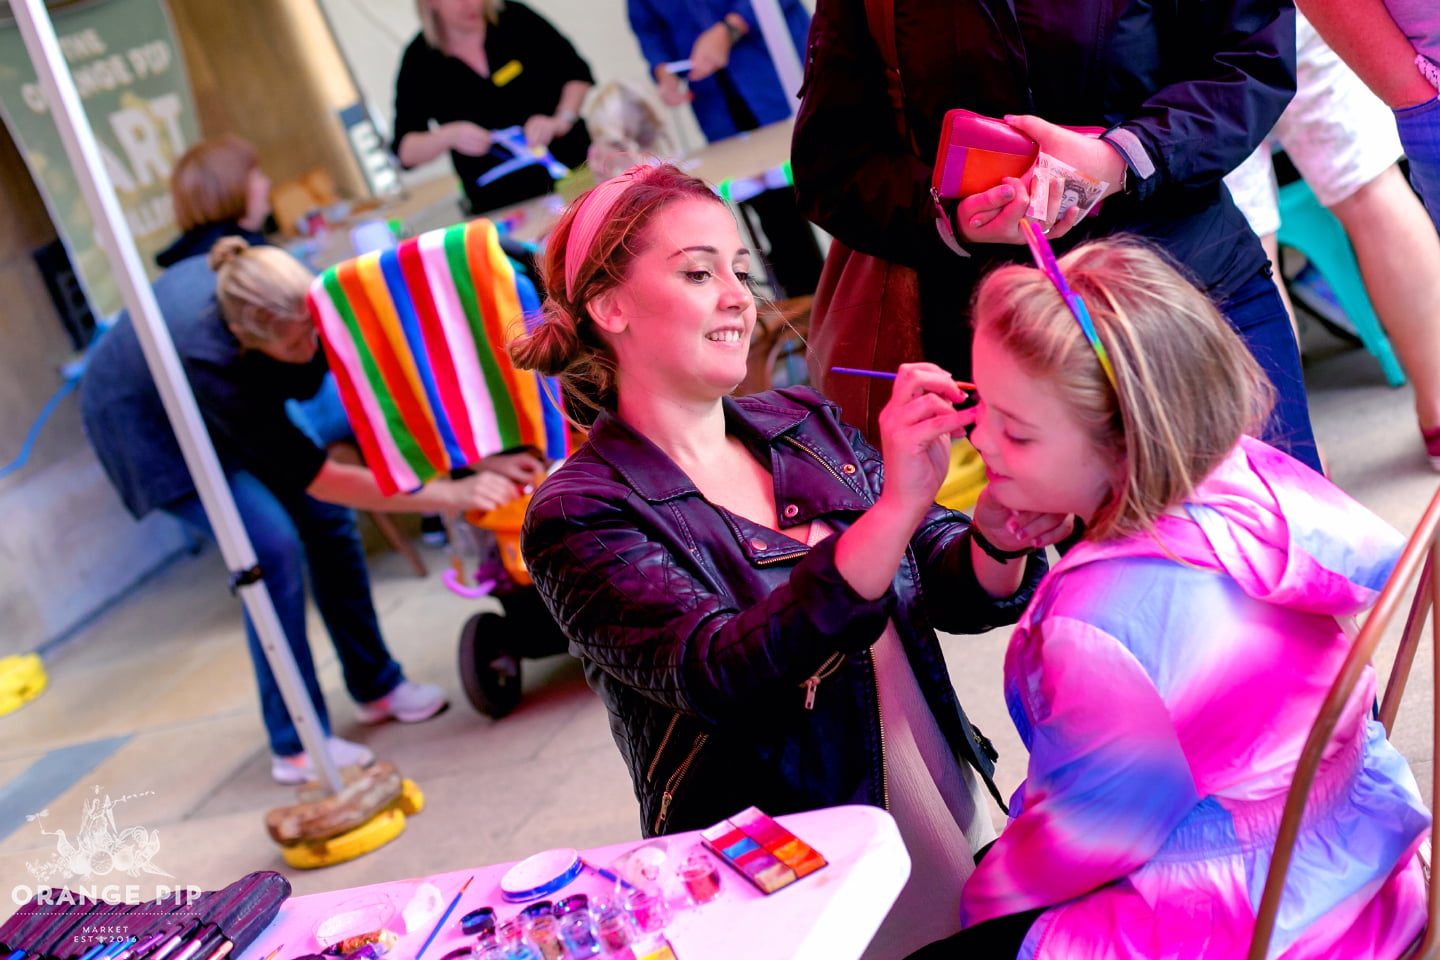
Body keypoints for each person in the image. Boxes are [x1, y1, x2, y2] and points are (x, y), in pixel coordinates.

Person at [511, 163, 1068, 957]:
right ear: (609, 306)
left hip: (949, 818)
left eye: (740, 270)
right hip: (794, 883)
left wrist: (996, 537)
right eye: (698, 272)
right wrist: (896, 507)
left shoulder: (800, 419)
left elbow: (932, 574)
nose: (740, 295)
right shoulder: (578, 512)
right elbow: (722, 672)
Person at [912, 237, 1430, 958]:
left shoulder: (1098, 622)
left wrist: (979, 897)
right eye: (980, 406)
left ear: (1126, 442)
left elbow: (1085, 838)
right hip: (1367, 856)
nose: (980, 442)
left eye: (1018, 433)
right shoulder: (1248, 476)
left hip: (1257, 919)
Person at [81, 237, 543, 785]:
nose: (313, 347)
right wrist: (454, 493)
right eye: (299, 343)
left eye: (313, 330)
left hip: (221, 393)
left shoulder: (313, 294)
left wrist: (473, 454)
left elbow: (393, 382)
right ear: (249, 341)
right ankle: (296, 743)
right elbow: (320, 478)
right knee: (268, 548)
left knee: (330, 526)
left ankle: (376, 685)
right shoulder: (212, 363)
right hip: (148, 425)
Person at [792, 0, 1323, 474]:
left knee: (1290, 546)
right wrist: (955, 220)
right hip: (1025, 351)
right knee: (1119, 573)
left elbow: (1250, 59)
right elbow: (830, 166)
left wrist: (1123, 158)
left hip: (1192, 291)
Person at [628, 0, 823, 297]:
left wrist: (731, 27)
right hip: (719, 103)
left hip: (779, 76)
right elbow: (649, 28)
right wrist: (663, 71)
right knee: (774, 214)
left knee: (825, 185)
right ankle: (806, 303)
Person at [392, 0, 593, 215]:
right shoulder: (419, 59)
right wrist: (449, 135)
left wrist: (560, 120)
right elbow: (405, 151)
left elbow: (577, 73)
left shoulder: (515, 18)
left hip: (573, 175)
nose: (470, 4)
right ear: (431, 3)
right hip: (501, 204)